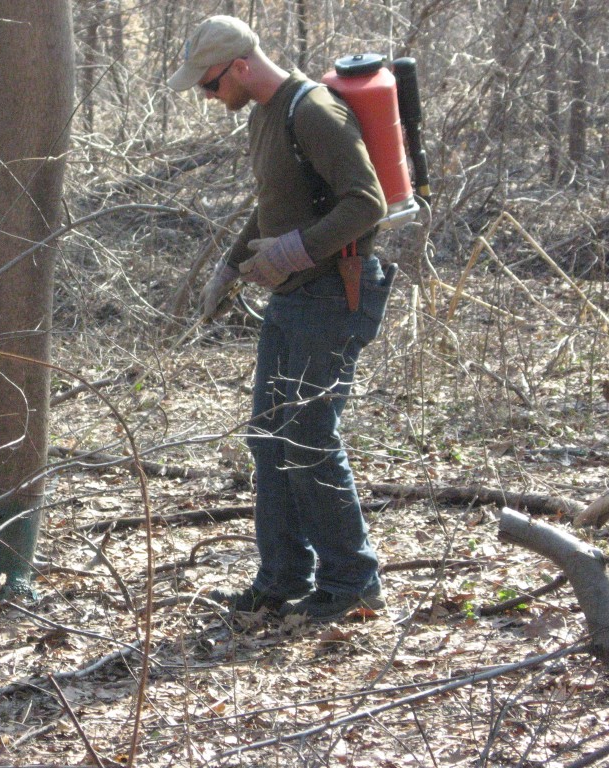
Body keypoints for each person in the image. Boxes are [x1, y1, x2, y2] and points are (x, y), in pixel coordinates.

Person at [168, 16, 395, 622]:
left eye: (210, 85)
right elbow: (274, 205)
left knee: (310, 439)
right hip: (295, 296)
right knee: (269, 437)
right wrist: (231, 266)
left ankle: (352, 583)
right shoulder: (263, 115)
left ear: (240, 66)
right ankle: (282, 578)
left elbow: (366, 204)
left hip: (334, 293)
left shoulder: (315, 110)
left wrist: (292, 252)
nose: (208, 98)